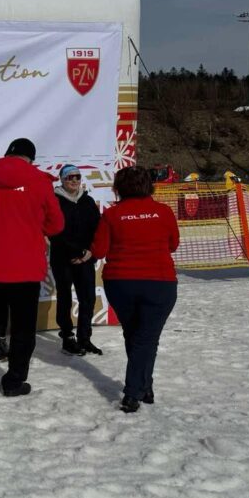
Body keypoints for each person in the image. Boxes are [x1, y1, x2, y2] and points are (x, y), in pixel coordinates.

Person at [0, 138, 64, 396]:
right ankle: (14, 382)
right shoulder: (40, 181)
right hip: (24, 269)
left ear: (6, 155)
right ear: (30, 159)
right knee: (23, 329)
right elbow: (56, 225)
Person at [90, 165, 179, 413]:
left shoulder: (111, 214)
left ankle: (144, 386)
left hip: (121, 283)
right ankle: (134, 392)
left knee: (136, 336)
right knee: (146, 338)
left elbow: (99, 251)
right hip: (159, 282)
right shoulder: (163, 212)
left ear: (119, 188)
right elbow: (173, 244)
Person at [49, 164, 102, 356]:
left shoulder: (87, 201)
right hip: (63, 258)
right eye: (69, 177)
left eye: (77, 177)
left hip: (86, 258)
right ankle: (68, 338)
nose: (74, 180)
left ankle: (84, 338)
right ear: (62, 180)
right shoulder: (54, 201)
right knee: (65, 297)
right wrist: (76, 252)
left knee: (87, 298)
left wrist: (90, 252)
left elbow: (98, 229)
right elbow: (55, 232)